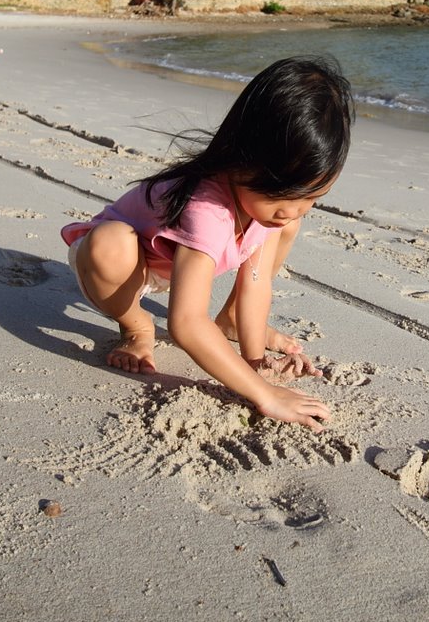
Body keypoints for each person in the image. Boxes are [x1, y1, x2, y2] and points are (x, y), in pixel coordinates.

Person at [62, 56, 354, 432]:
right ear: (239, 158)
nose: (293, 210)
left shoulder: (271, 208)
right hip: (121, 266)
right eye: (281, 195)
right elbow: (185, 323)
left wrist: (254, 362)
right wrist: (263, 394)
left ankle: (230, 321)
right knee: (109, 243)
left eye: (311, 197)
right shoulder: (207, 208)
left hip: (182, 264)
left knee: (285, 229)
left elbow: (256, 281)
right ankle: (136, 327)